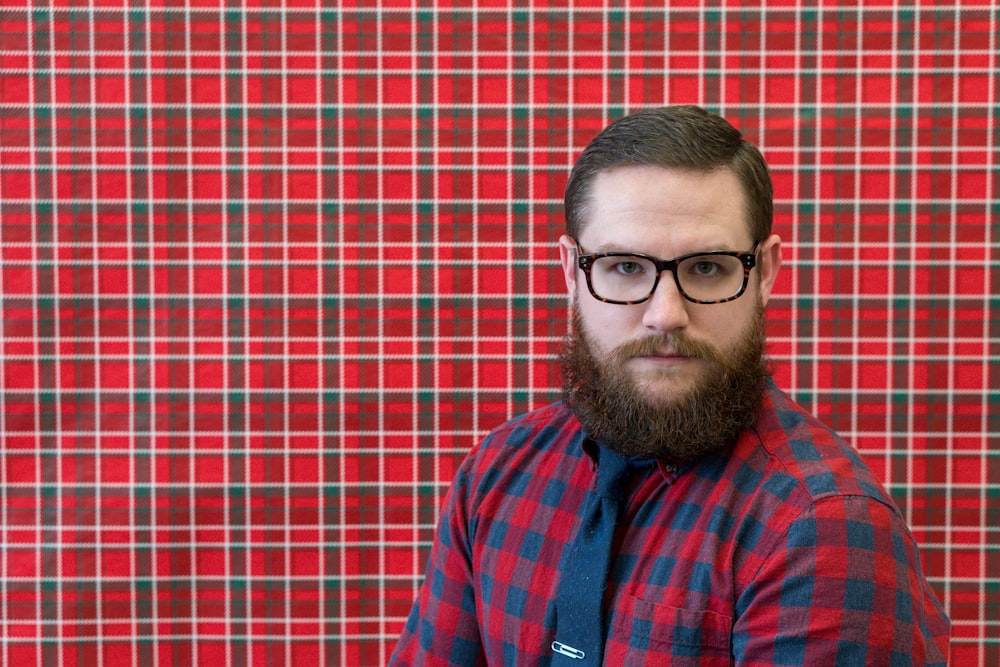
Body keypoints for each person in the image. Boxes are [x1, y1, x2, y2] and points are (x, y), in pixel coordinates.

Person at [390, 105, 950, 665]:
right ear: (571, 272)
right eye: (626, 267)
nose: (666, 314)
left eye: (706, 268)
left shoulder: (822, 526)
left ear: (765, 273)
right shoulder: (497, 471)